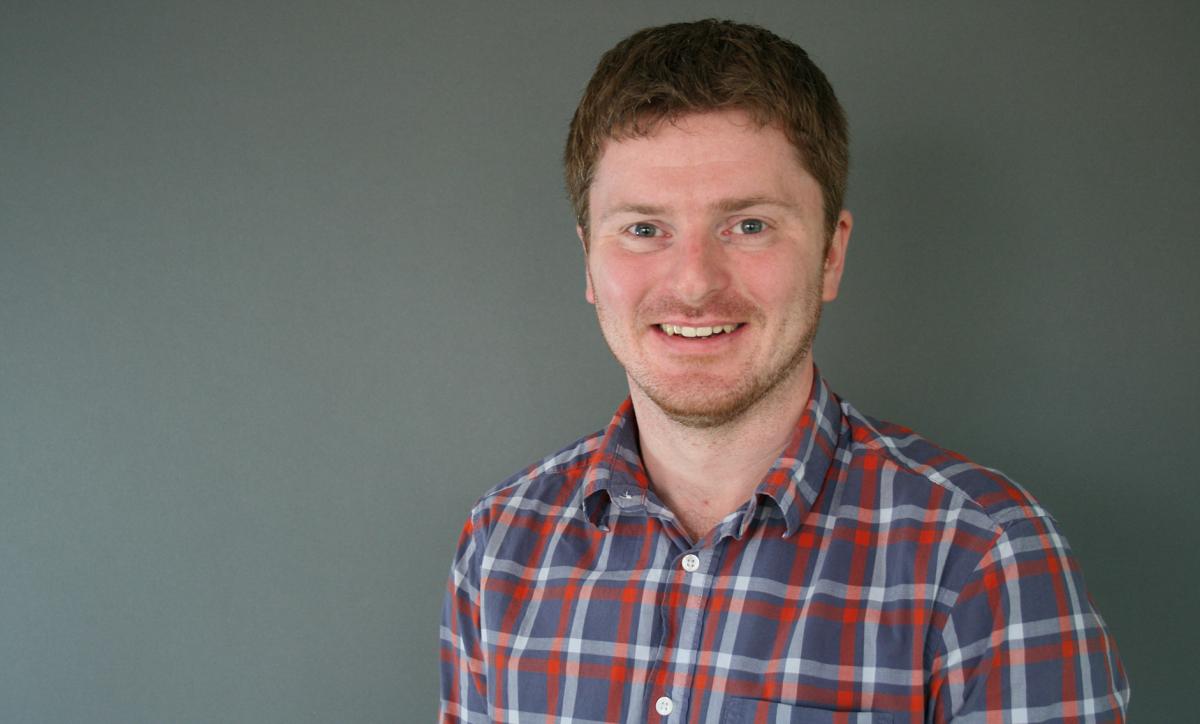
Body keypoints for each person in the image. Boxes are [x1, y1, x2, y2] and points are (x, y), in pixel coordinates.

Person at [440, 19, 1129, 723]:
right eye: (644, 228)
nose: (694, 283)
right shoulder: (500, 548)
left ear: (831, 253)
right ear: (589, 260)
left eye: (748, 225)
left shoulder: (983, 557)